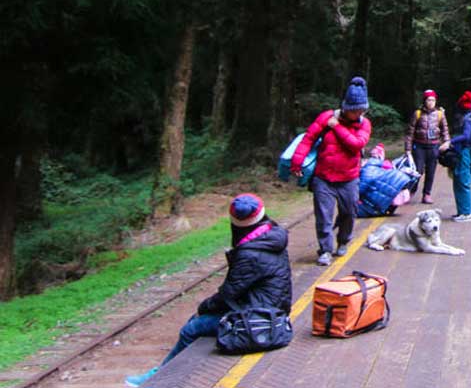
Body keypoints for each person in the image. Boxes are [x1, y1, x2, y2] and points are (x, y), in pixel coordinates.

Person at [124, 194, 292, 387]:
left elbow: (229, 293)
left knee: (192, 328)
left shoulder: (250, 253)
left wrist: (204, 306)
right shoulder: (271, 235)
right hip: (270, 308)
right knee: (198, 321)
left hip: (260, 319)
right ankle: (164, 372)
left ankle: (158, 379)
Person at [291, 76, 372, 265]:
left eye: (362, 109)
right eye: (356, 110)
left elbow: (356, 144)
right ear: (346, 107)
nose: (359, 113)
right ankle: (325, 251)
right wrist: (297, 162)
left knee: (349, 213)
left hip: (349, 178)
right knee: (324, 216)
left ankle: (343, 241)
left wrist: (337, 128)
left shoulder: (364, 124)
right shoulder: (327, 117)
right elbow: (308, 139)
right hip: (324, 177)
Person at [404, 88, 449, 205]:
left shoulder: (440, 114)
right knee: (417, 170)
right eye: (429, 100)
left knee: (431, 171)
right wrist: (408, 149)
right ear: (425, 101)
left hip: (434, 146)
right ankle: (411, 191)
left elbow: (445, 130)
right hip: (419, 146)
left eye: (433, 100)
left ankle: (427, 194)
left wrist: (446, 142)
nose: (431, 102)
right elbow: (410, 132)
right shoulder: (417, 114)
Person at [439, 90, 471, 222]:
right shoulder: (468, 119)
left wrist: (450, 142)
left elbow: (466, 136)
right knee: (458, 182)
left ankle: (467, 213)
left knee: (463, 181)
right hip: (460, 152)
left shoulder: (468, 121)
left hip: (464, 153)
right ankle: (461, 211)